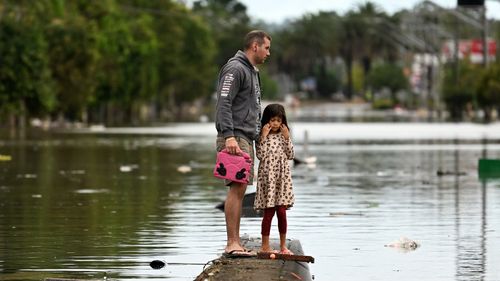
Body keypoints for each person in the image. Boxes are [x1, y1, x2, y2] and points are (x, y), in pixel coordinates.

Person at [215, 30, 271, 256]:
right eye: (266, 47)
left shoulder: (251, 71)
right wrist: (228, 135)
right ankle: (232, 244)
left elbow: (252, 109)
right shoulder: (235, 69)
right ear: (255, 46)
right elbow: (224, 103)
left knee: (240, 189)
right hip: (234, 138)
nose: (269, 52)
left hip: (245, 138)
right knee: (236, 190)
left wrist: (259, 139)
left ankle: (235, 242)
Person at [254, 103, 295, 255]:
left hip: (282, 180)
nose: (275, 124)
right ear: (267, 121)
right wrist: (263, 136)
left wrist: (287, 138)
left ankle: (283, 246)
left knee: (282, 212)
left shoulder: (284, 136)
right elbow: (260, 155)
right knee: (269, 212)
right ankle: (265, 246)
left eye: (278, 120)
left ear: (282, 121)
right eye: (272, 120)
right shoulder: (262, 137)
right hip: (268, 179)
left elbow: (291, 155)